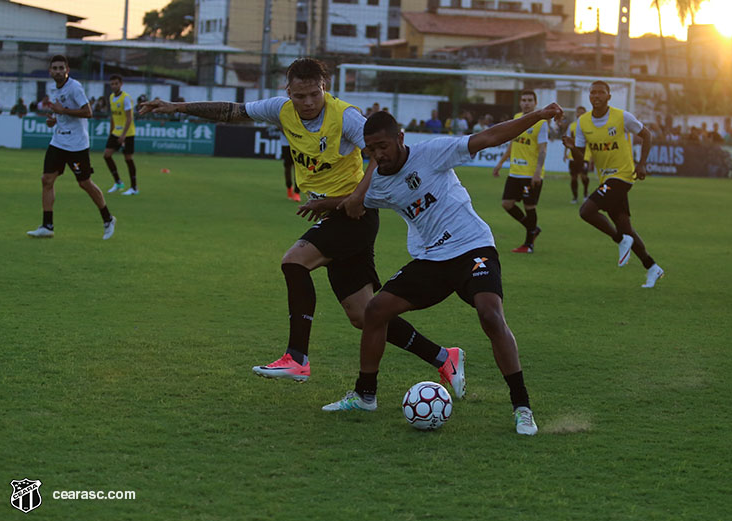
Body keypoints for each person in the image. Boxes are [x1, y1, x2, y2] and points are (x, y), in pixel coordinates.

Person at [137, 58, 465, 396]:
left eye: (314, 94)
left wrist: (357, 197)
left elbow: (379, 155)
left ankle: (297, 357)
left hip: (354, 216)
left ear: (325, 88)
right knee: (363, 315)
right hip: (331, 215)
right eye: (300, 96)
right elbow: (232, 111)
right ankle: (443, 356)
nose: (307, 103)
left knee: (294, 261)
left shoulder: (346, 117)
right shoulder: (282, 110)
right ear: (288, 92)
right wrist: (177, 105)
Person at [322, 104, 564, 435]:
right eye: (372, 150)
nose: (378, 155)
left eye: (383, 146)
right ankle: (365, 395)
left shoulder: (433, 152)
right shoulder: (377, 184)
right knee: (376, 310)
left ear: (400, 138)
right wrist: (320, 203)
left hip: (473, 246)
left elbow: (490, 136)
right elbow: (352, 201)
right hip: (432, 259)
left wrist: (536, 116)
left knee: (490, 315)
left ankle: (522, 407)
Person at [562, 80, 663, 288]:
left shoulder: (622, 117)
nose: (596, 96)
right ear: (589, 97)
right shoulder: (583, 122)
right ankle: (652, 267)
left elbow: (647, 135)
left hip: (623, 175)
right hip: (605, 178)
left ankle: (619, 239)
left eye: (601, 92)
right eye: (592, 93)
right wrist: (572, 148)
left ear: (609, 97)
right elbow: (581, 159)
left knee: (586, 211)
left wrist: (642, 164)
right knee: (626, 227)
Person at [26, 55, 116, 240]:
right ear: (50, 71)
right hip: (58, 141)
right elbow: (60, 111)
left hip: (76, 145)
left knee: (84, 183)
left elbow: (88, 112)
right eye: (55, 68)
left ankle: (108, 219)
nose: (58, 71)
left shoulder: (75, 87)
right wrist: (54, 119)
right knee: (47, 179)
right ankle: (47, 226)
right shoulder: (53, 88)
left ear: (67, 69)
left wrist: (63, 112)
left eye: (61, 68)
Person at [491, 90, 549, 253]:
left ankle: (528, 244)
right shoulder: (517, 118)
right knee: (507, 204)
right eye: (523, 100)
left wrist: (538, 171)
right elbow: (512, 143)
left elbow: (543, 149)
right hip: (515, 171)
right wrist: (500, 163)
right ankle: (533, 229)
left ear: (535, 103)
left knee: (529, 206)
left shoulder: (541, 123)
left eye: (530, 100)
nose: (526, 103)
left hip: (530, 173)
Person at [104, 74, 139, 195]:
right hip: (115, 132)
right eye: (112, 84)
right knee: (107, 155)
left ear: (121, 84)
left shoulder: (125, 98)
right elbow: (113, 117)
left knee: (128, 159)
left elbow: (129, 118)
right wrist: (111, 131)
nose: (114, 86)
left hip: (127, 133)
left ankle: (134, 188)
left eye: (116, 83)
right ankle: (118, 182)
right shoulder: (111, 97)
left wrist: (123, 135)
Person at [564, 105, 591, 204]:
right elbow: (567, 140)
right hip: (572, 156)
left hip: (585, 156)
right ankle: (575, 197)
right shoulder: (572, 126)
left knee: (584, 176)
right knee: (574, 177)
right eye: (578, 112)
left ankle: (585, 193)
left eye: (582, 112)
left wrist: (592, 156)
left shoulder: (589, 126)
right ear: (576, 113)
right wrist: (565, 153)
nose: (580, 114)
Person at [279, 130, 301, 202]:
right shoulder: (282, 118)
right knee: (287, 167)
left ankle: (297, 192)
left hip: (297, 144)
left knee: (297, 167)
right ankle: (289, 187)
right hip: (286, 144)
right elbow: (279, 125)